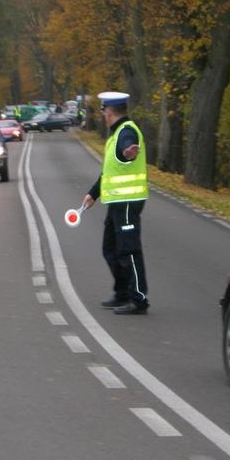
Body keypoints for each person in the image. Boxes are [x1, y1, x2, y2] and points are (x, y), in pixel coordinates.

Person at [82, 91, 149, 315]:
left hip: (128, 202)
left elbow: (127, 150)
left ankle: (138, 299)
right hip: (117, 202)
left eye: (103, 111)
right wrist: (93, 194)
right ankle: (122, 293)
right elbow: (111, 172)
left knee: (128, 251)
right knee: (110, 249)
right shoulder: (116, 133)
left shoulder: (126, 132)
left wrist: (129, 152)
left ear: (109, 112)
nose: (102, 114)